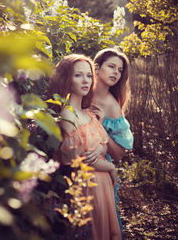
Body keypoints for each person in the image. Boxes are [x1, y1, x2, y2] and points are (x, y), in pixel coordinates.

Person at [48, 54, 122, 240]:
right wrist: (111, 167)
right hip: (87, 188)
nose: (86, 80)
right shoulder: (68, 115)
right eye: (78, 75)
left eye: (89, 75)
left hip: (103, 186)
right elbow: (80, 159)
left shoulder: (88, 112)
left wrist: (100, 149)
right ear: (67, 78)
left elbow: (103, 145)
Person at [84, 47, 134, 238]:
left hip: (98, 169)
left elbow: (119, 154)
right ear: (96, 68)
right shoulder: (82, 88)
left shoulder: (112, 107)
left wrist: (100, 126)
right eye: (111, 66)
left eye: (119, 70)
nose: (115, 72)